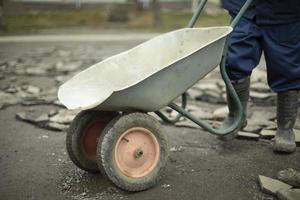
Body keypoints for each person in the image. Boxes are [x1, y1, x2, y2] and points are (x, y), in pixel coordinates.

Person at [220, 0, 300, 153]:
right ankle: (236, 115)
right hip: (243, 7)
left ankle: (285, 127)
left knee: (287, 66)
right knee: (234, 59)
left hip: (285, 12)